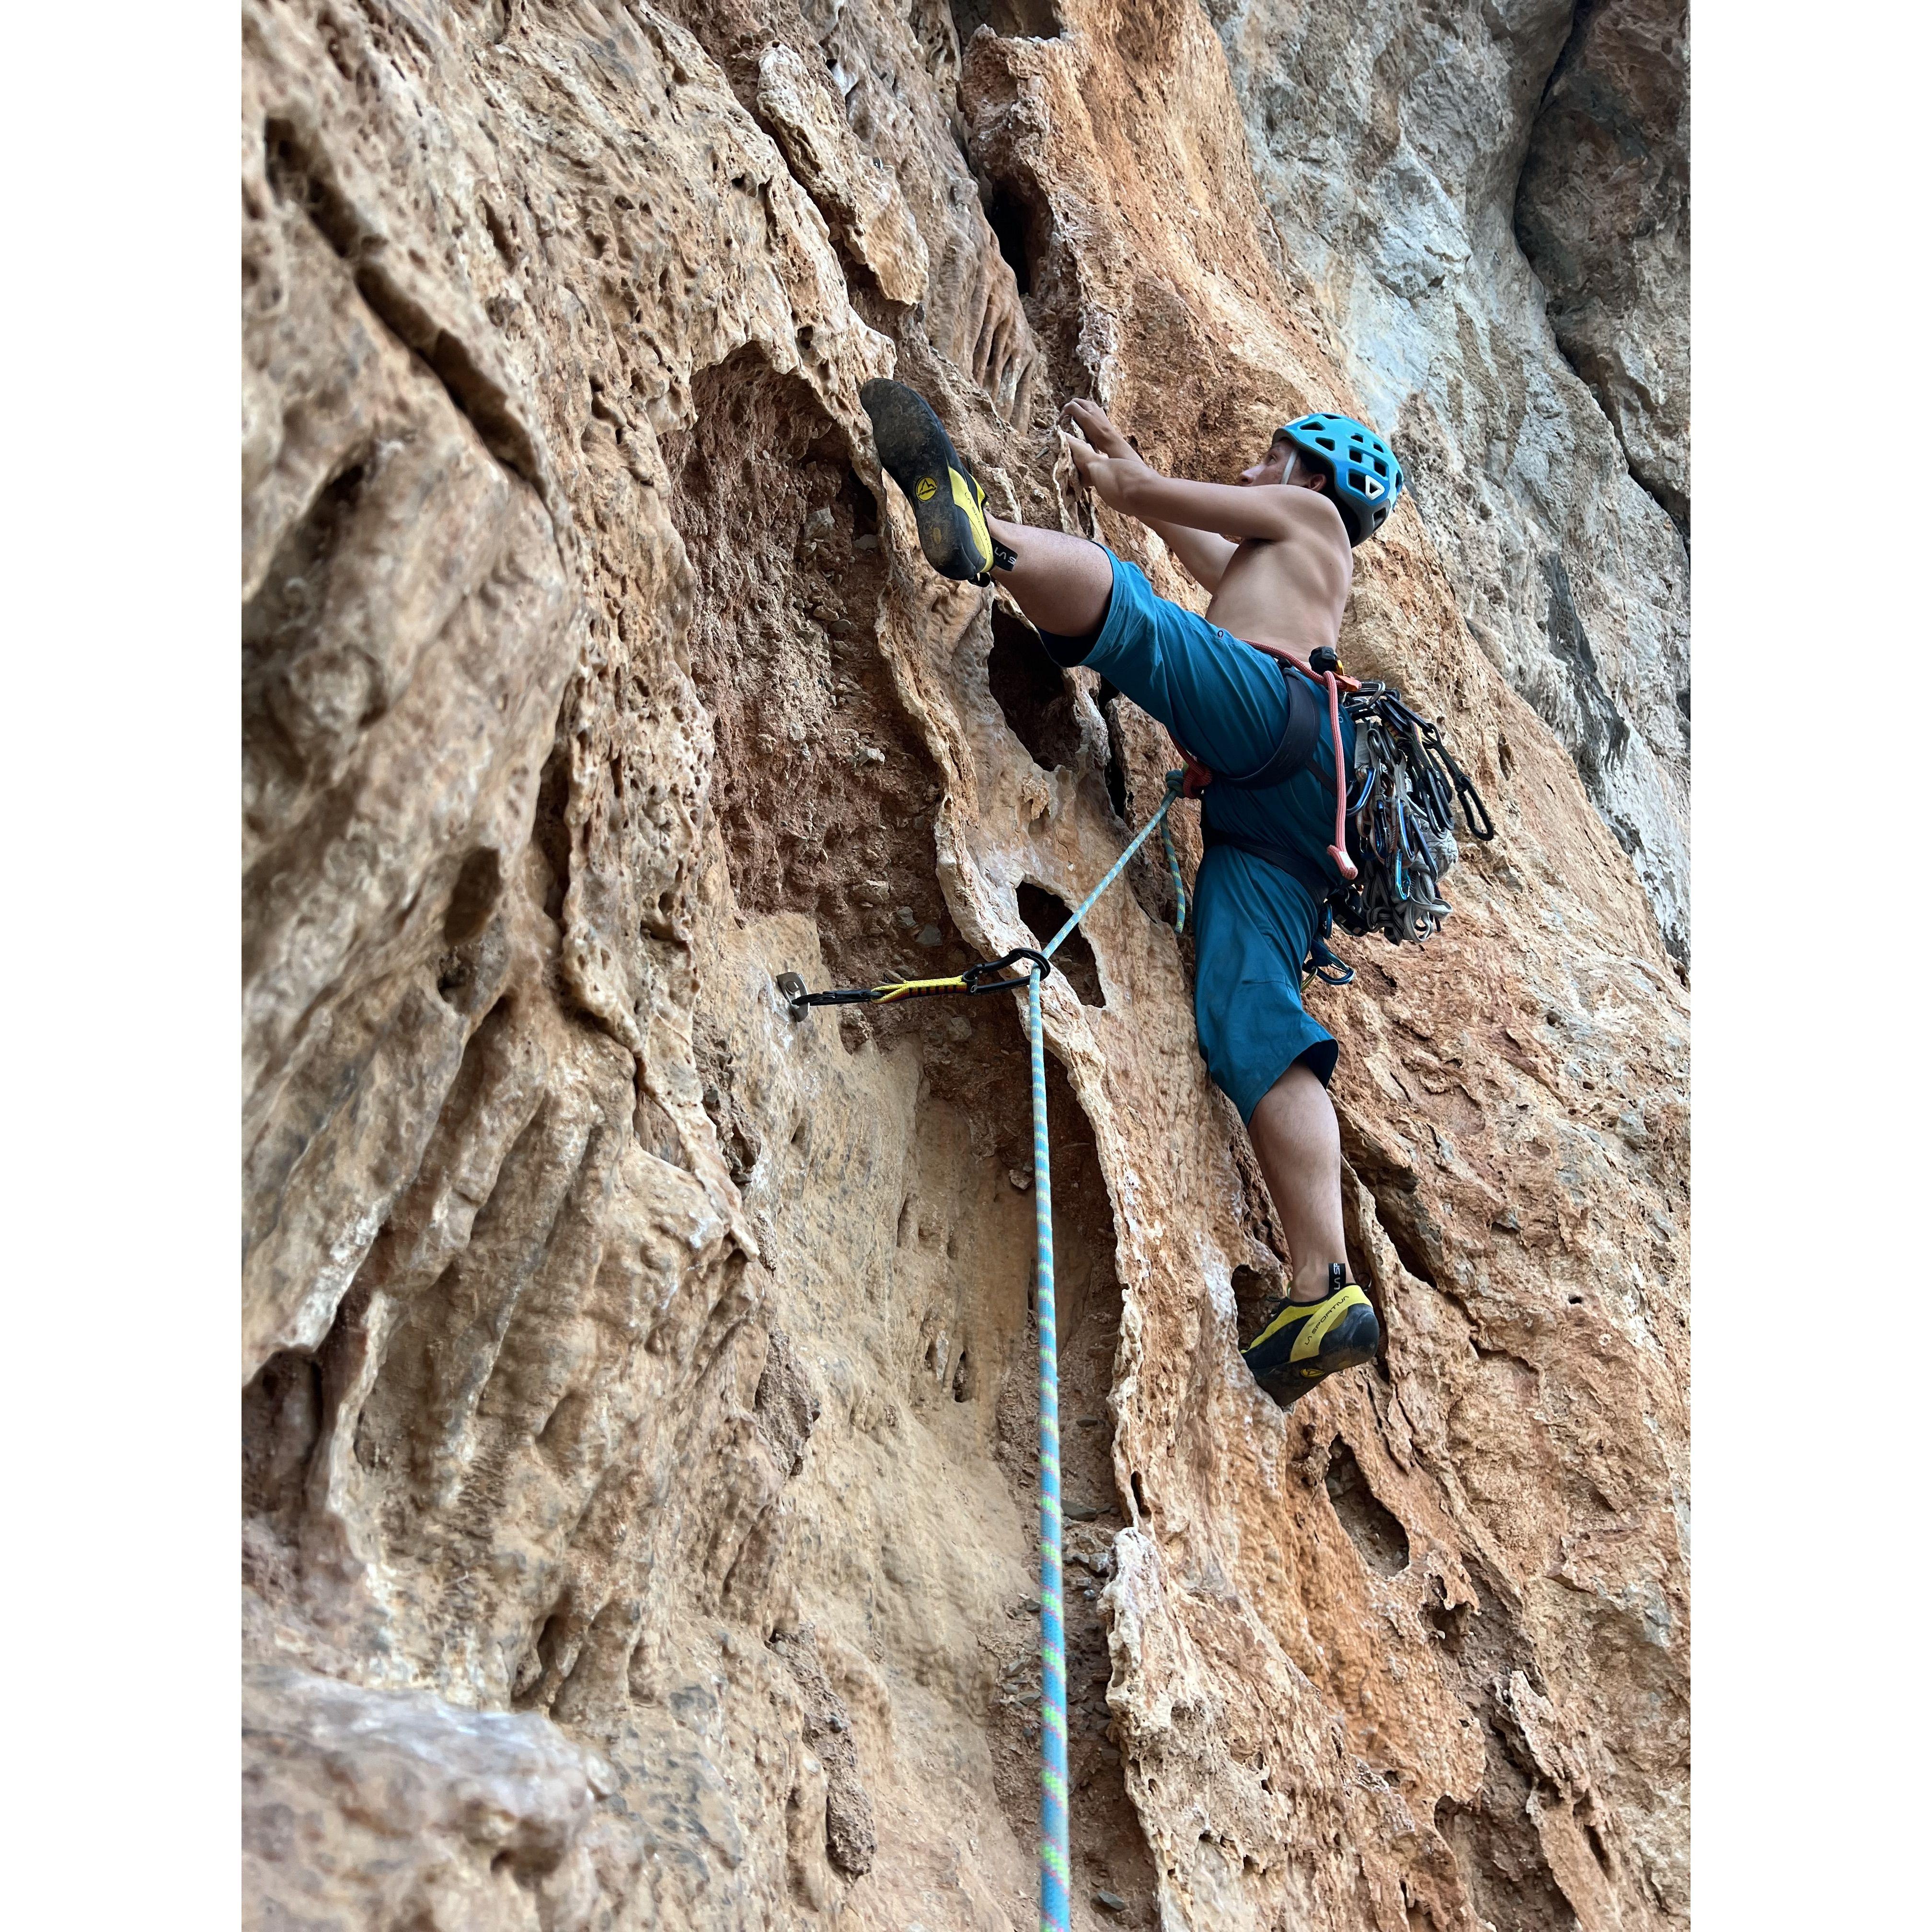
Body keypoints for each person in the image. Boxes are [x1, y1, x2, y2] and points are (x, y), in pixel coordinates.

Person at [859, 379, 1403, 1404]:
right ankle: (1321, 1287)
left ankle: (991, 542)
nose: (1253, 472)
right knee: (1252, 1020)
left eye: (1268, 458)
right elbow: (1209, 547)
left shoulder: (1312, 513)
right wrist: (1134, 471)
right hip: (1282, 807)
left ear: (1311, 472)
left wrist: (1127, 477)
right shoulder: (1285, 563)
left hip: (1276, 719)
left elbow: (1190, 508)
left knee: (1130, 613)